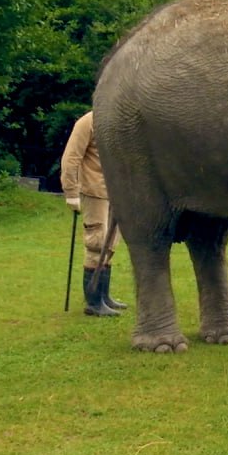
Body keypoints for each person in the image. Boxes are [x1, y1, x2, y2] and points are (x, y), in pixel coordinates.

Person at [60, 111, 125, 317]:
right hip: (94, 191)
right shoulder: (87, 122)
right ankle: (93, 302)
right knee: (96, 242)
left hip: (116, 192)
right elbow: (71, 157)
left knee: (111, 243)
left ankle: (104, 296)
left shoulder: (118, 122)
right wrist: (71, 192)